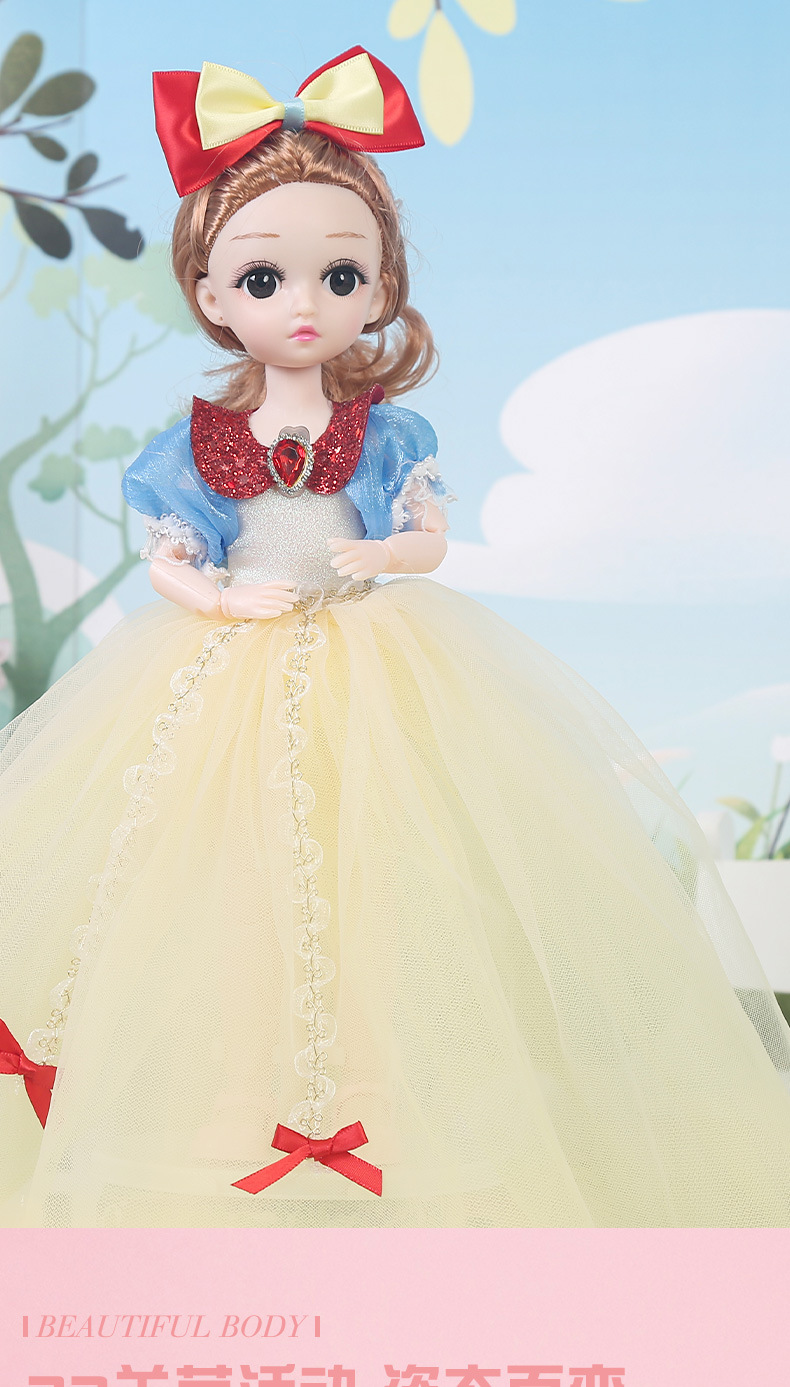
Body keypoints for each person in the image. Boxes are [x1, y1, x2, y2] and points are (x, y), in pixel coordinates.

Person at [2, 47, 789, 1229]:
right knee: (229, 888)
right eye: (262, 277)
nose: (303, 303)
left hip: (378, 665)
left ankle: (376, 1098)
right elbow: (173, 555)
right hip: (229, 672)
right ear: (210, 293)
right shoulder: (195, 441)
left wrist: (390, 556)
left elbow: (424, 538)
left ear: (379, 291)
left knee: (385, 881)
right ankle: (236, 1098)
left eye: (340, 274)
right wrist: (213, 599)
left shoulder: (387, 432)